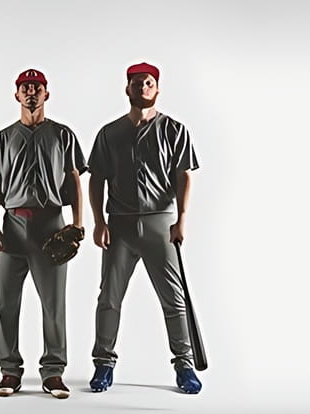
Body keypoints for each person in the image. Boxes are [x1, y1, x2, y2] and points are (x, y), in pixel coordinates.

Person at [87, 62, 203, 394]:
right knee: (109, 298)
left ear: (157, 88)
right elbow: (97, 179)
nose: (142, 88)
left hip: (159, 222)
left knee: (174, 299)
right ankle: (103, 365)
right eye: (136, 83)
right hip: (120, 225)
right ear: (127, 89)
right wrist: (99, 222)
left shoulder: (175, 130)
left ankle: (184, 365)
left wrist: (181, 219)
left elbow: (184, 175)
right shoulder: (109, 133)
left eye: (148, 82)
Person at [0, 69, 86, 399]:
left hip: (50, 223)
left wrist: (77, 224)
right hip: (13, 224)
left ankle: (53, 372)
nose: (31, 92)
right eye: (25, 88)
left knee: (53, 303)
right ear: (16, 95)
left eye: (37, 87)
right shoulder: (2, 138)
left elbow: (73, 179)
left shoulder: (62, 135)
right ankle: (9, 371)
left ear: (46, 94)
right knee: (5, 302)